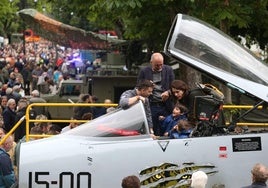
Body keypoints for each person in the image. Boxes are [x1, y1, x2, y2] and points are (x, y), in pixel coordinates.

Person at [137, 52, 174, 136]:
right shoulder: (144, 71)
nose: (160, 67)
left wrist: (168, 92)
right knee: (152, 127)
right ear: (151, 63)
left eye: (161, 64)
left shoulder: (168, 69)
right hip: (151, 104)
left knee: (166, 128)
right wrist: (147, 84)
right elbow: (138, 87)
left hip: (166, 105)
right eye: (157, 65)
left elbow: (174, 86)